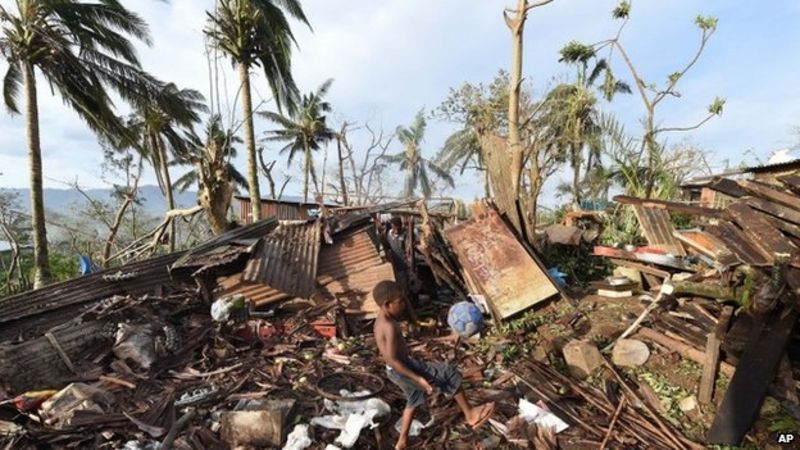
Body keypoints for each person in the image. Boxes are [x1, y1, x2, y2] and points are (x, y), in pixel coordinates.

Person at [373, 280, 495, 450]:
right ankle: (471, 415)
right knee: (449, 373)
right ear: (387, 304)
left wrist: (416, 321)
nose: (403, 304)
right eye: (400, 301)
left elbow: (404, 305)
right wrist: (419, 378)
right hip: (401, 368)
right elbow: (393, 359)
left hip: (398, 368)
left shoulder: (383, 318)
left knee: (414, 400)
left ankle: (401, 443)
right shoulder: (389, 326)